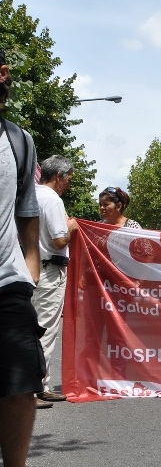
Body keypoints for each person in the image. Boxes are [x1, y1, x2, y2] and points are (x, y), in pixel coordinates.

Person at [0, 47, 63, 467]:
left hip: (9, 285)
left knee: (23, 384)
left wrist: (29, 274)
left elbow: (28, 221)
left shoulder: (19, 141)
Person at [32, 155, 78, 408]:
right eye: (68, 179)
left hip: (31, 266)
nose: (68, 184)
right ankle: (35, 387)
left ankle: (32, 384)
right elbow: (59, 241)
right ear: (58, 176)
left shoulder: (30, 195)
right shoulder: (52, 200)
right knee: (45, 330)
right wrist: (71, 227)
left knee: (30, 327)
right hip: (50, 269)